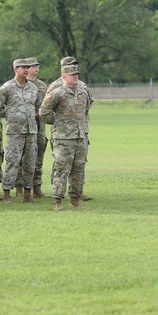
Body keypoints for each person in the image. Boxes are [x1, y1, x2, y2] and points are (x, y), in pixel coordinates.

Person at [39, 64, 93, 211]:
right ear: (64, 77)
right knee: (61, 169)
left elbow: (87, 107)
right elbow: (44, 112)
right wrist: (58, 123)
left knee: (79, 169)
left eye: (77, 74)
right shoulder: (57, 93)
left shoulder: (83, 92)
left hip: (80, 137)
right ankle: (57, 200)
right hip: (63, 139)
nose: (76, 76)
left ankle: (75, 199)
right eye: (72, 75)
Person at [0, 58, 43, 203]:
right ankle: (7, 192)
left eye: (27, 67)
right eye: (23, 67)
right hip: (15, 131)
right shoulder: (7, 87)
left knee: (30, 163)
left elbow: (39, 107)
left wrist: (34, 116)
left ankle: (27, 193)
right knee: (12, 162)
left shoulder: (33, 88)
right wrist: (9, 116)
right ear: (16, 69)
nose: (26, 70)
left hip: (31, 131)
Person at [20, 57, 48, 197]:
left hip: (39, 126)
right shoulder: (21, 84)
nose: (36, 68)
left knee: (39, 158)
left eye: (37, 65)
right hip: (24, 127)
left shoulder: (42, 85)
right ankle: (20, 188)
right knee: (23, 157)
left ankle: (37, 187)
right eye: (32, 66)